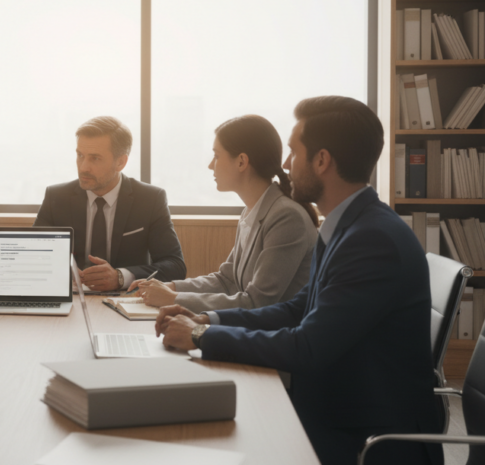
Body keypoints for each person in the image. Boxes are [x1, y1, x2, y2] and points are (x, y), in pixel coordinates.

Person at [156, 97, 443, 465]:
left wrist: (201, 337)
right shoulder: (347, 225)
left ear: (322, 160)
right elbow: (297, 308)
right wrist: (208, 321)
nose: (286, 165)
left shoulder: (373, 240)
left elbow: (308, 347)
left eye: (293, 152)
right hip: (335, 407)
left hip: (364, 437)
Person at [130, 115, 317, 311]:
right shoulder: (252, 211)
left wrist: (174, 298)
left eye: (217, 156)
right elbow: (226, 280)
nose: (211, 165)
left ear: (242, 162)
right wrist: (170, 287)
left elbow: (258, 302)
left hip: (276, 335)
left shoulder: (286, 217)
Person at [34, 116, 185, 291]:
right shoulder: (56, 197)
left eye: (95, 158)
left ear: (120, 162)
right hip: (71, 297)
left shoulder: (150, 199)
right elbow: (33, 257)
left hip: (126, 299)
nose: (83, 167)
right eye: (80, 155)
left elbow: (175, 266)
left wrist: (121, 277)